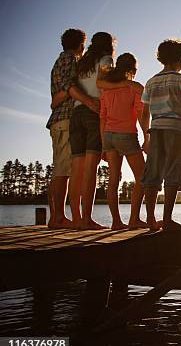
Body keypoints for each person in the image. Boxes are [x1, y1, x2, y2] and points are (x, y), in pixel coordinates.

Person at [47, 28, 99, 229]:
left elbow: (60, 94)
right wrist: (89, 102)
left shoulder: (62, 60)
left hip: (61, 119)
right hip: (65, 119)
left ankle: (58, 217)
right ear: (80, 45)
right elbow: (68, 87)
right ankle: (58, 218)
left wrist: (57, 100)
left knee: (63, 170)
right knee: (62, 170)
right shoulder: (68, 58)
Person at [141, 39, 181, 231]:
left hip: (155, 130)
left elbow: (144, 113)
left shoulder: (151, 82)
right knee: (174, 170)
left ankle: (150, 221)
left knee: (153, 172)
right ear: (180, 59)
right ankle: (168, 220)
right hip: (176, 129)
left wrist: (145, 137)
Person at [97, 53, 149, 230]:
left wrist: (104, 143)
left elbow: (102, 117)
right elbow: (141, 115)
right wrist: (146, 137)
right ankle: (134, 219)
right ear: (132, 69)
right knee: (143, 177)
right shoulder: (133, 88)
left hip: (109, 136)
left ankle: (116, 222)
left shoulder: (107, 88)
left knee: (113, 179)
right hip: (126, 135)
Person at [69, 32, 115, 230]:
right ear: (108, 45)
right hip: (93, 113)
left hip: (76, 114)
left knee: (76, 171)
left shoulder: (82, 64)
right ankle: (87, 219)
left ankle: (77, 219)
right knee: (90, 170)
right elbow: (102, 85)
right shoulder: (106, 59)